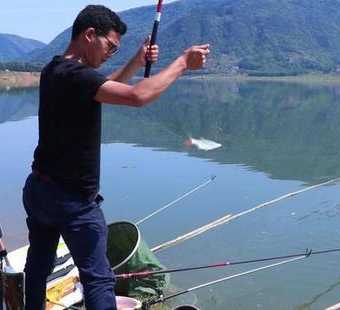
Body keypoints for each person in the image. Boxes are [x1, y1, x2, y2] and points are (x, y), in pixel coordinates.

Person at [22, 5, 210, 310]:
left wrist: (137, 61)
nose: (111, 53)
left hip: (39, 191)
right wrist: (182, 63)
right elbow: (137, 96)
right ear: (89, 35)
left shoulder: (56, 70)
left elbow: (105, 86)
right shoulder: (76, 75)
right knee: (99, 279)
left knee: (38, 266)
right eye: (110, 46)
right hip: (74, 203)